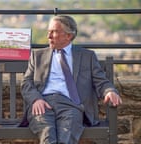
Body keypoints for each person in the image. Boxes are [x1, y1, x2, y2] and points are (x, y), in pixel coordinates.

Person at [21, 15, 122, 144]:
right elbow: (26, 83)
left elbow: (101, 81)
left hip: (71, 105)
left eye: (54, 32)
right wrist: (36, 99)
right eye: (48, 31)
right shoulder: (38, 56)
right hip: (42, 104)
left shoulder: (87, 56)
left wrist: (109, 91)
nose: (49, 36)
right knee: (47, 135)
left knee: (67, 136)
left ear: (68, 36)